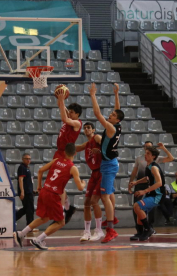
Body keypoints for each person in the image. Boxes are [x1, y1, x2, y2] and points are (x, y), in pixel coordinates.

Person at [13, 143, 86, 250]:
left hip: (44, 191)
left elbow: (40, 170)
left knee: (44, 218)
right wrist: (84, 183)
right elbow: (80, 188)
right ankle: (39, 239)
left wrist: (39, 186)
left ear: (64, 152)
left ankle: (21, 234)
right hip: (53, 194)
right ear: (75, 153)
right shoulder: (73, 167)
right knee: (61, 222)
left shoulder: (56, 160)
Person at [89, 82, 123, 243]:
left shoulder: (111, 128)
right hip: (109, 161)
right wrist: (116, 95)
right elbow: (119, 111)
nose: (110, 115)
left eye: (112, 115)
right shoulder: (118, 124)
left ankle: (111, 229)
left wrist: (93, 95)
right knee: (109, 193)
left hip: (109, 165)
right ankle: (113, 218)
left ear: (116, 120)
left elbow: (97, 113)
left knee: (104, 197)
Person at [129, 141, 174, 240]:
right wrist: (136, 182)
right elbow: (147, 178)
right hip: (152, 193)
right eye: (146, 153)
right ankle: (140, 233)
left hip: (158, 195)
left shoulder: (153, 167)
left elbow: (159, 183)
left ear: (154, 156)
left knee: (137, 206)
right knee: (140, 209)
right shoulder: (149, 166)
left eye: (148, 153)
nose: (146, 155)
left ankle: (148, 229)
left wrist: (144, 191)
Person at [54, 88, 83, 224]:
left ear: (77, 114)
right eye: (70, 111)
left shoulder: (77, 123)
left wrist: (61, 100)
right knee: (57, 183)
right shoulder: (71, 118)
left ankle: (62, 211)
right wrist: (61, 100)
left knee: (59, 184)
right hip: (59, 151)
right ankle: (68, 207)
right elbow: (64, 110)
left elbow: (64, 117)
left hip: (65, 154)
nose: (69, 113)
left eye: (72, 112)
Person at [75, 122, 104, 241]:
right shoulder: (87, 144)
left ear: (93, 130)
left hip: (102, 172)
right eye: (85, 128)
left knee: (94, 201)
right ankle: (86, 232)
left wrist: (101, 151)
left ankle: (99, 230)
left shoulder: (97, 138)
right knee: (86, 202)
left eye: (89, 128)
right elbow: (73, 148)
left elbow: (108, 147)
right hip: (94, 174)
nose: (86, 129)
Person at [16, 153, 36, 230]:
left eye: (29, 159)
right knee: (30, 210)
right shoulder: (22, 168)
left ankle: (14, 218)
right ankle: (30, 227)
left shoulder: (27, 168)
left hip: (29, 192)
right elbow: (20, 180)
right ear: (22, 159)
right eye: (26, 159)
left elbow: (27, 181)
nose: (28, 160)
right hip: (26, 193)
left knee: (27, 209)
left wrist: (32, 190)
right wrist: (22, 192)